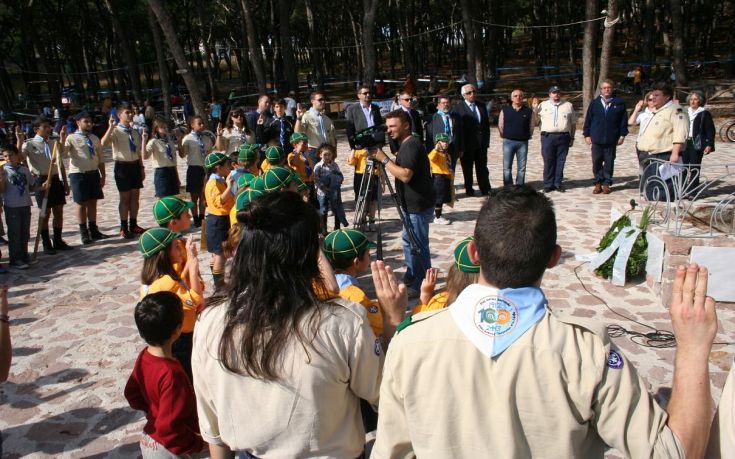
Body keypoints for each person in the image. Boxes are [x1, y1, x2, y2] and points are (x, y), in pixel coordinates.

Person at [372, 185, 718, 459]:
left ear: (474, 254)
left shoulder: (410, 342)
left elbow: (392, 451)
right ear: (554, 258)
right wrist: (692, 347)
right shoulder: (586, 351)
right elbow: (673, 453)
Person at [191, 191, 405, 457]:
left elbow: (215, 432)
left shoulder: (210, 320)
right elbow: (385, 395)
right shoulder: (342, 322)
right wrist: (393, 322)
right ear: (310, 255)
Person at [125, 291, 206, 457]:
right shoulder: (171, 374)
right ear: (177, 330)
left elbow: (131, 393)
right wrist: (199, 443)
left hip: (149, 440)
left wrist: (154, 412)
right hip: (168, 450)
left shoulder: (144, 356)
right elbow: (169, 429)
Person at [374, 110, 434, 297]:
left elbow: (406, 175)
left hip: (418, 205)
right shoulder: (405, 145)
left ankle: (422, 282)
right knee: (409, 243)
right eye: (388, 126)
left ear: (406, 125)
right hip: (409, 205)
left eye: (393, 126)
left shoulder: (411, 145)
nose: (389, 130)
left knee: (418, 245)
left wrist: (383, 159)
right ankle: (412, 273)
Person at [138, 229, 203, 379]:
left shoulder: (154, 279)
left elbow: (179, 281)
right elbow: (196, 301)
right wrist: (193, 270)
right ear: (164, 254)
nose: (180, 250)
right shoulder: (164, 283)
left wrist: (189, 257)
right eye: (176, 247)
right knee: (189, 375)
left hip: (173, 335)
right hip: (181, 338)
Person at [17, 117, 73, 252]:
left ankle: (58, 240)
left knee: (58, 211)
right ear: (36, 129)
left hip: (55, 179)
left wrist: (65, 183)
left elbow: (60, 164)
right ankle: (46, 243)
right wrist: (19, 142)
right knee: (44, 213)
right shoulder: (28, 145)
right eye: (45, 127)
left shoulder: (53, 143)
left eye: (49, 126)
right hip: (41, 180)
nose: (49, 129)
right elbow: (19, 158)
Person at [62, 112, 111, 244]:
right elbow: (64, 153)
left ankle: (93, 229)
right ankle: (83, 232)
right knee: (81, 203)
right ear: (78, 123)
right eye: (86, 121)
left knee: (93, 202)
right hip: (79, 174)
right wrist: (62, 139)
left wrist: (103, 175)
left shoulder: (94, 138)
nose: (89, 124)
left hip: (93, 173)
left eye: (90, 121)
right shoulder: (71, 138)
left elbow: (100, 158)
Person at [636, 83, 689, 200]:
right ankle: (652, 214)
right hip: (650, 156)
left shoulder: (676, 110)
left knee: (662, 191)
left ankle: (663, 215)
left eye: (657, 95)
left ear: (667, 97)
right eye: (652, 95)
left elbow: (680, 132)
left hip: (664, 156)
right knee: (650, 189)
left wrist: (675, 154)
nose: (653, 98)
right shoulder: (658, 111)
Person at [102, 106, 146, 239]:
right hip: (122, 167)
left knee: (135, 197)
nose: (130, 114)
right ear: (119, 115)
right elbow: (103, 143)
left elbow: (138, 152)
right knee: (125, 198)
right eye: (127, 113)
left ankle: (134, 224)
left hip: (135, 166)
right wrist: (110, 127)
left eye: (131, 112)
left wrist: (141, 167)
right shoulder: (115, 131)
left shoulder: (134, 132)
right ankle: (123, 226)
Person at [0, 146, 47, 269]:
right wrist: (1, 180)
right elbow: (2, 190)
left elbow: (31, 188)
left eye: (10, 155)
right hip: (12, 205)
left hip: (25, 204)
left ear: (17, 155)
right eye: (5, 156)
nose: (8, 158)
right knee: (15, 232)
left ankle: (24, 255)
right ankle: (15, 259)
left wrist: (42, 187)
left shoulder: (24, 170)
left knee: (24, 232)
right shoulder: (3, 171)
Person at [582, 80, 628, 195]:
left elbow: (623, 121)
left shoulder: (619, 103)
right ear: (601, 90)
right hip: (596, 139)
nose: (607, 90)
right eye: (604, 88)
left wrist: (622, 135)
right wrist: (586, 134)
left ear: (612, 89)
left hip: (611, 139)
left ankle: (606, 183)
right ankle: (598, 182)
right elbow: (588, 120)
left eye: (609, 87)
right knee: (596, 161)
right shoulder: (594, 103)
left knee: (609, 162)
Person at [414, 236, 480, 314]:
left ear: (453, 273)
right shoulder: (494, 301)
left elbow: (419, 320)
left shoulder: (441, 302)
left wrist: (425, 295)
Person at [534, 86, 576, 193]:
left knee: (561, 161)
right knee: (548, 160)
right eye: (553, 93)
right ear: (549, 94)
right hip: (548, 137)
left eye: (558, 92)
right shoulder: (542, 105)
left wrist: (572, 137)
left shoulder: (568, 105)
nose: (556, 94)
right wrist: (534, 109)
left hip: (563, 136)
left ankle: (558, 183)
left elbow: (573, 124)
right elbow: (534, 120)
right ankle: (548, 184)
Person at [203, 152, 235, 292]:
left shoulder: (218, 180)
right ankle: (219, 285)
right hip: (218, 222)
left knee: (216, 254)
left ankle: (217, 279)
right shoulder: (213, 183)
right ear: (218, 167)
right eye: (227, 165)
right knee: (219, 255)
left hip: (219, 220)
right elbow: (219, 201)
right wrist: (229, 187)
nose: (230, 167)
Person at [454, 84, 491, 196]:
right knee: (467, 168)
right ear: (464, 95)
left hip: (481, 144)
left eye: (474, 91)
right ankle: (469, 189)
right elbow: (457, 129)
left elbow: (485, 125)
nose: (472, 94)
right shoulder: (458, 109)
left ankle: (485, 188)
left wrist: (486, 141)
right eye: (469, 93)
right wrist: (460, 146)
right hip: (467, 145)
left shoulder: (481, 105)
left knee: (482, 168)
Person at [179, 115, 214, 227]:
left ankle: (202, 216)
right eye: (199, 123)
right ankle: (195, 217)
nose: (202, 125)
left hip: (205, 169)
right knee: (194, 196)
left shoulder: (206, 138)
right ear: (192, 125)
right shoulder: (187, 138)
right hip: (194, 169)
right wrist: (180, 141)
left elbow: (209, 152)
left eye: (203, 123)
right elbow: (182, 154)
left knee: (203, 195)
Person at [498, 88, 536, 186]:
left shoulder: (528, 111)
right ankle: (508, 187)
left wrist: (526, 135)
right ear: (511, 98)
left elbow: (531, 127)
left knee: (521, 168)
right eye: (515, 96)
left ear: (523, 98)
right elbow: (500, 126)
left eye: (520, 96)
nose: (518, 98)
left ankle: (520, 187)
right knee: (507, 167)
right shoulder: (505, 111)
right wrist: (505, 135)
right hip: (508, 142)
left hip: (522, 143)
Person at [683, 90, 715, 190]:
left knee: (694, 168)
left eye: (695, 99)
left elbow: (710, 130)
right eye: (691, 99)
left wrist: (709, 144)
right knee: (682, 168)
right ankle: (681, 190)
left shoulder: (704, 113)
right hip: (683, 142)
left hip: (695, 143)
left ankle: (692, 191)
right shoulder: (684, 112)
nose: (693, 101)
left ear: (699, 101)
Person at [313, 143, 348, 234]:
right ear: (320, 155)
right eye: (325, 154)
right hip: (322, 192)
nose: (327, 157)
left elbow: (340, 175)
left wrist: (338, 181)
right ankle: (324, 229)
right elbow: (316, 179)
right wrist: (323, 187)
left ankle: (337, 227)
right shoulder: (318, 166)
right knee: (323, 209)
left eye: (329, 154)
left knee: (336, 207)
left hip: (334, 191)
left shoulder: (334, 165)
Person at [295, 91, 337, 165]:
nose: (323, 101)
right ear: (312, 101)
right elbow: (297, 133)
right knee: (314, 176)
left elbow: (332, 137)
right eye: (320, 100)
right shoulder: (306, 116)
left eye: (324, 99)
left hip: (327, 152)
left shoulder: (327, 119)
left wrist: (334, 152)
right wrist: (298, 118)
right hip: (313, 153)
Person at [144, 118, 180, 199]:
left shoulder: (169, 141)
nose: (166, 129)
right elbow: (145, 156)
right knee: (163, 199)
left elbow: (173, 160)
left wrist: (177, 177)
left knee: (173, 198)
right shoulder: (153, 142)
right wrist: (144, 141)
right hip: (162, 172)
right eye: (163, 127)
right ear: (156, 128)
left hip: (172, 171)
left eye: (166, 127)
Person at [425, 95, 460, 173]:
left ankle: (450, 185)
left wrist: (461, 148)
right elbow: (429, 136)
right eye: (443, 103)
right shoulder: (433, 118)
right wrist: (430, 150)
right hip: (438, 150)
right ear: (438, 104)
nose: (446, 104)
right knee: (439, 173)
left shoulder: (455, 117)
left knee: (451, 172)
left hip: (452, 149)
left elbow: (459, 133)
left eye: (447, 102)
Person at [428, 133, 454, 225]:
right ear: (438, 142)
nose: (445, 143)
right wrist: (436, 149)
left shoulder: (445, 153)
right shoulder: (435, 153)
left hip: (445, 178)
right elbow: (430, 158)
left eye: (447, 142)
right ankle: (437, 217)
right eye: (443, 141)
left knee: (442, 198)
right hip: (438, 178)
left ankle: (438, 215)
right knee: (438, 199)